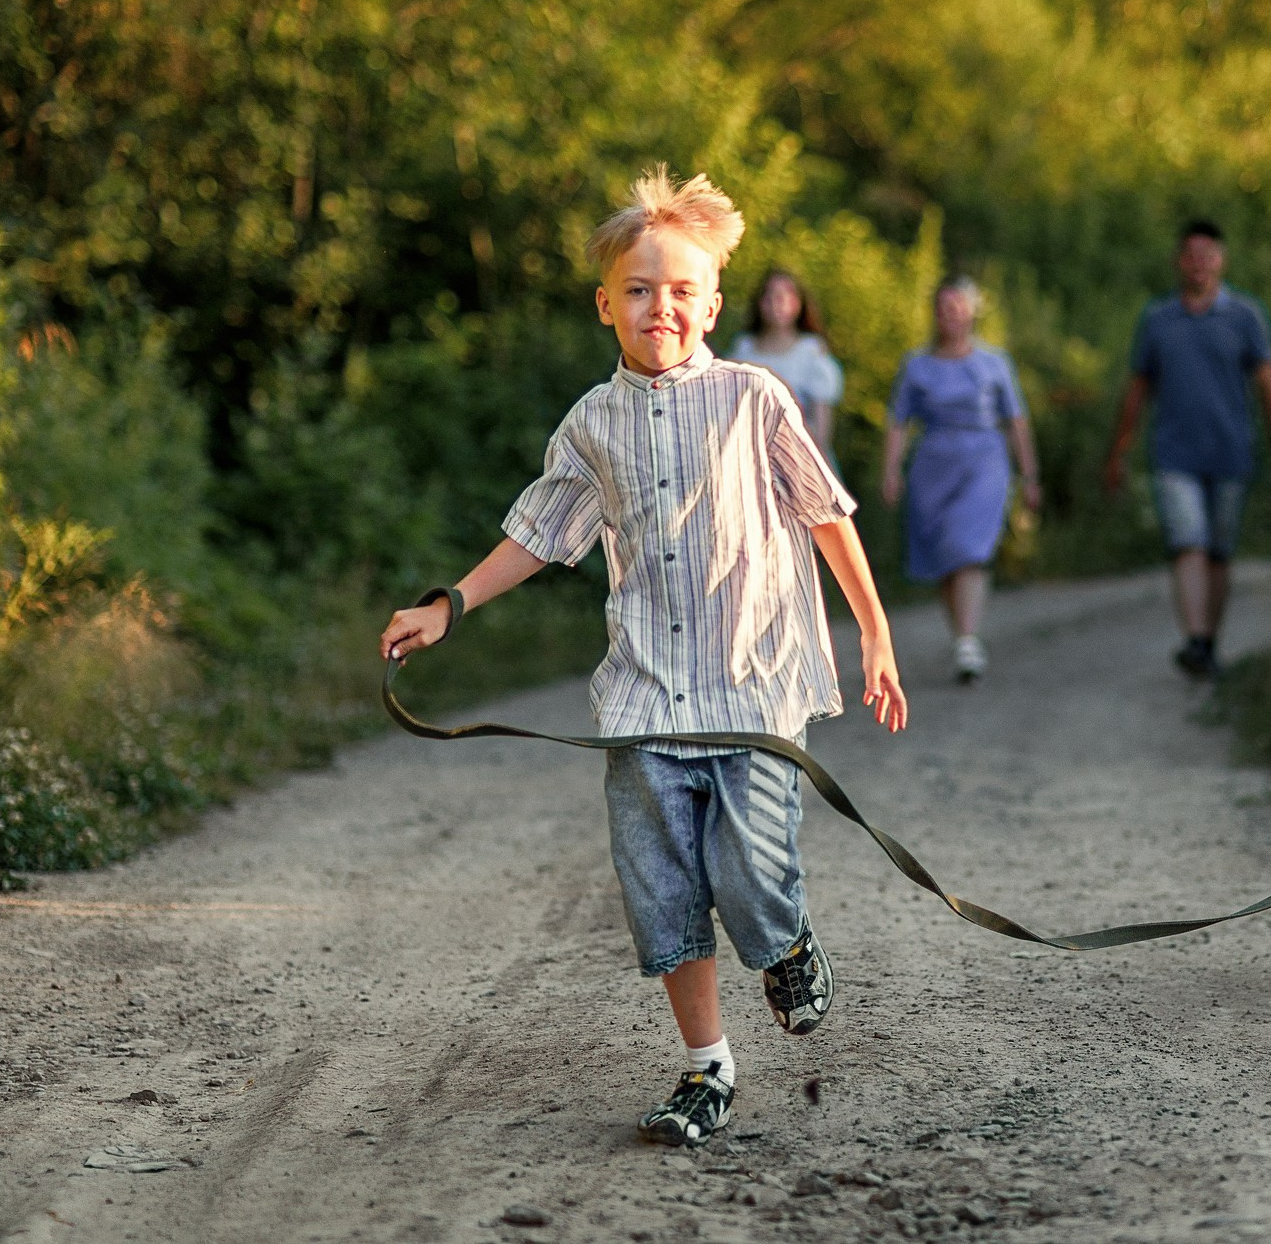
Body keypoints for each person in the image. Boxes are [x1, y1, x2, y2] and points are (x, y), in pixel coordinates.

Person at [380, 167, 909, 1148]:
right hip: (642, 699)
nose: (657, 306)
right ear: (604, 304)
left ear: (711, 303)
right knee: (663, 889)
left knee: (749, 874)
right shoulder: (592, 421)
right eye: (637, 288)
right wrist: (449, 603)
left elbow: (827, 515)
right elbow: (541, 532)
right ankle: (705, 1069)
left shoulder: (755, 398)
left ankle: (785, 940)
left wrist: (872, 630)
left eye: (678, 290)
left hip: (748, 689)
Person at [1102, 218, 1271, 677]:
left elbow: (1270, 390)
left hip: (1230, 453)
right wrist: (1119, 451)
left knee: (1219, 551)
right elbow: (1136, 391)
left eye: (1207, 255)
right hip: (1174, 456)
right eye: (1190, 255)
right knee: (1187, 541)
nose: (1198, 264)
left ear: (1221, 261)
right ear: (1178, 262)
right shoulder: (1157, 320)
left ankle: (1209, 640)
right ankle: (1194, 638)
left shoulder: (1245, 316)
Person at [881, 275, 1041, 684]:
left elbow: (1016, 419)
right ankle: (962, 639)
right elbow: (899, 421)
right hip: (933, 464)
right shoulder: (917, 365)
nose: (951, 315)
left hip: (985, 462)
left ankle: (968, 639)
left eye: (959, 306)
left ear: (972, 311)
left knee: (968, 545)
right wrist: (891, 471)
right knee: (945, 555)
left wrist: (1030, 474)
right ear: (935, 314)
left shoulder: (994, 362)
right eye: (944, 307)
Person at [728, 269, 844, 461]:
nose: (777, 302)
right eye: (770, 295)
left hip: (799, 458)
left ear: (799, 303)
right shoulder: (743, 349)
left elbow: (822, 428)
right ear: (760, 303)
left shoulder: (812, 352)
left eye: (786, 295)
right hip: (749, 456)